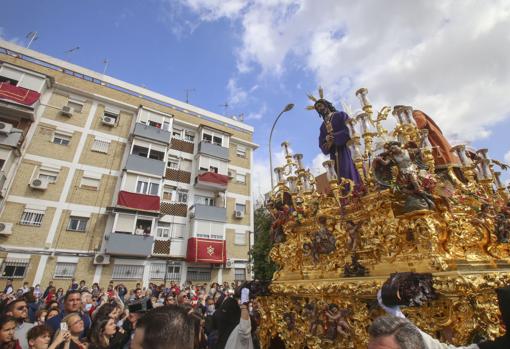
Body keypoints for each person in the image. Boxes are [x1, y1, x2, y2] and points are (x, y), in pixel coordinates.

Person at [314, 98, 362, 186]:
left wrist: (334, 137)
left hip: (347, 150)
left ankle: (356, 193)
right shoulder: (322, 127)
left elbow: (349, 130)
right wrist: (328, 142)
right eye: (317, 108)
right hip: (333, 156)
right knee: (337, 179)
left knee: (349, 171)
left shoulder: (340, 115)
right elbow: (322, 145)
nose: (319, 109)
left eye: (320, 106)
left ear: (326, 104)